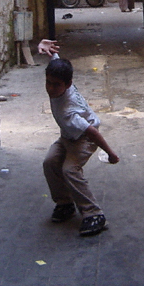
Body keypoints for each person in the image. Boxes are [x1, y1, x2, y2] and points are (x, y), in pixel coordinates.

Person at [37, 38, 120, 236]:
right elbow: (54, 58)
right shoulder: (60, 73)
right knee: (49, 162)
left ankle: (93, 213)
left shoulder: (69, 112)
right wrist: (44, 47)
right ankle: (65, 203)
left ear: (68, 84)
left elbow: (92, 132)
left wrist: (110, 153)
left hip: (84, 138)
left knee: (70, 170)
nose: (50, 88)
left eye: (56, 85)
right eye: (48, 83)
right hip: (67, 135)